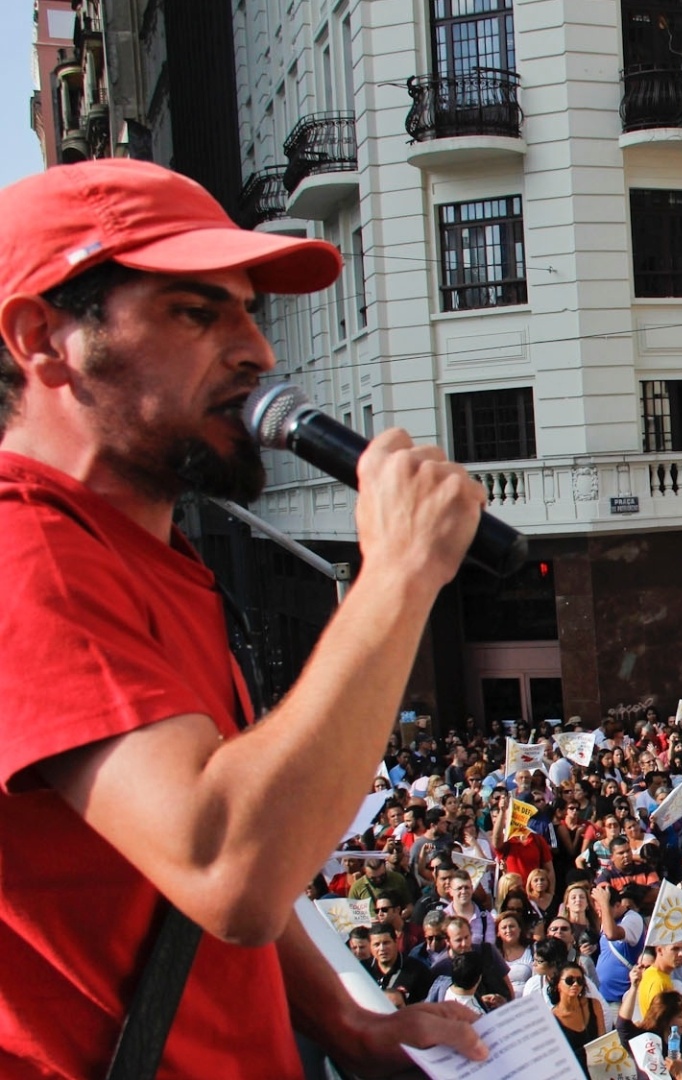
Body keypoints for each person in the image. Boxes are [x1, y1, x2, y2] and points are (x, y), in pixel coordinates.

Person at [0, 160, 489, 1076]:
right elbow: (228, 864)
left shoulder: (140, 553)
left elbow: (172, 887)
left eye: (247, 309)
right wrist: (397, 574)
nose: (257, 351)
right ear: (44, 338)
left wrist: (343, 1022)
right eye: (196, 312)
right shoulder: (25, 558)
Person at [551, 959, 606, 1072]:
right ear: (558, 984)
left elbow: (603, 1040)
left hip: (599, 1069)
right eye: (570, 980)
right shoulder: (552, 1017)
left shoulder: (594, 1004)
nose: (575, 984)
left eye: (580, 980)